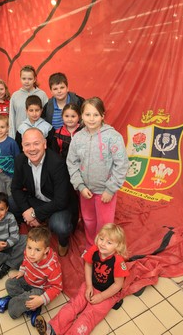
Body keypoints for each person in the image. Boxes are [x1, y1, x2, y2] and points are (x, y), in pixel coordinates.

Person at [35, 223, 129, 335]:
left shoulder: (118, 261)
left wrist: (101, 296)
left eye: (109, 242)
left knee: (89, 315)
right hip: (92, 284)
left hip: (108, 293)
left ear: (118, 246)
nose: (103, 244)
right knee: (74, 304)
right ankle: (52, 329)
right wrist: (89, 285)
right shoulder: (95, 250)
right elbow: (88, 265)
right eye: (101, 239)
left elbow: (118, 285)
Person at [67, 97, 129, 251]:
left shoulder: (113, 137)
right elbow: (71, 162)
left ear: (102, 115)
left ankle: (104, 250)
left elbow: (122, 165)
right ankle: (91, 247)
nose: (91, 119)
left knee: (104, 224)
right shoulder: (78, 138)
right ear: (81, 116)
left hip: (105, 192)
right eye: (87, 114)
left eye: (95, 115)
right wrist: (80, 186)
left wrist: (110, 189)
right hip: (85, 191)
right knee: (88, 220)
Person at [11, 127, 79, 257]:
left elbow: (61, 201)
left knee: (60, 226)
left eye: (36, 143)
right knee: (11, 201)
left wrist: (35, 213)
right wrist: (27, 210)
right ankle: (34, 221)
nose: (32, 149)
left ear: (45, 144)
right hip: (37, 199)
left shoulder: (57, 163)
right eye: (27, 144)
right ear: (22, 146)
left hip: (58, 204)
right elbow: (15, 188)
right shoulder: (20, 160)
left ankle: (63, 242)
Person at [0, 227, 62, 319]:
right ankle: (30, 306)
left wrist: (41, 299)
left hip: (39, 289)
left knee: (13, 311)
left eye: (37, 250)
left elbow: (57, 287)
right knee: (9, 283)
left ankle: (12, 303)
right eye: (29, 247)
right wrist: (21, 271)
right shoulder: (28, 253)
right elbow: (25, 261)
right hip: (28, 280)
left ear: (46, 250)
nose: (31, 253)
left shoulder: (52, 267)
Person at [9, 65, 48, 139]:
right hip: (21, 136)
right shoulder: (15, 96)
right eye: (24, 78)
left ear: (34, 79)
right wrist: (12, 138)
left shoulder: (42, 94)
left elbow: (46, 116)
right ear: (20, 79)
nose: (26, 81)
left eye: (30, 79)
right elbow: (12, 119)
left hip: (39, 136)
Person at [0, 114, 20, 199]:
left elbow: (18, 158)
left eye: (2, 127)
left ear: (7, 128)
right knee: (1, 194)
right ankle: (4, 209)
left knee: (11, 194)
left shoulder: (12, 143)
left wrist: (17, 173)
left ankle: (12, 209)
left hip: (10, 175)